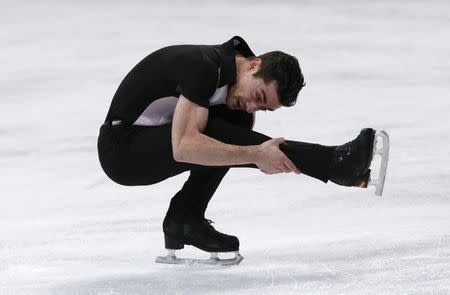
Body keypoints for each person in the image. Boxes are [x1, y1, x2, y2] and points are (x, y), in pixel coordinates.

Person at [97, 36, 375, 263]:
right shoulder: (204, 67)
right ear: (254, 66)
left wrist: (255, 151)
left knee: (237, 120)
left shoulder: (234, 76)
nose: (254, 105)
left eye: (263, 107)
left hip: (150, 139)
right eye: (258, 97)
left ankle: (185, 218)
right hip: (122, 151)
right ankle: (335, 164)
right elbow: (184, 148)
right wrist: (256, 154)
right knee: (216, 133)